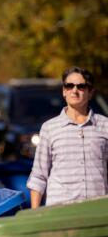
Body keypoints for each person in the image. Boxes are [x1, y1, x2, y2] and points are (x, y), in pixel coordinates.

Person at [27, 67, 108, 208]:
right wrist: (36, 215)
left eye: (81, 86)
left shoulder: (105, 125)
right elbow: (38, 176)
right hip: (60, 213)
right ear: (64, 91)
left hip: (98, 212)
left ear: (90, 93)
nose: (74, 91)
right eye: (69, 86)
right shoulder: (49, 128)